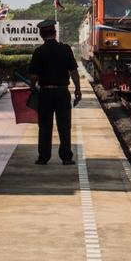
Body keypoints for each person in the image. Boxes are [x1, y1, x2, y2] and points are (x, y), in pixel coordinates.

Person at [28, 19, 82, 165]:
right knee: (64, 126)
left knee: (45, 126)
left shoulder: (39, 52)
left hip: (45, 93)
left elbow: (33, 76)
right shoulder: (66, 49)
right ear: (55, 32)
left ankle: (43, 157)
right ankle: (66, 157)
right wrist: (78, 89)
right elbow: (74, 72)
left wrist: (33, 88)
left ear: (41, 34)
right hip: (62, 93)